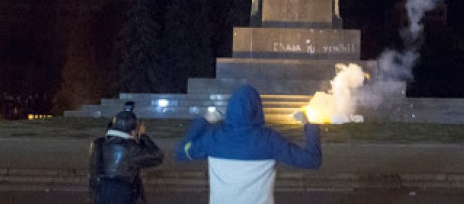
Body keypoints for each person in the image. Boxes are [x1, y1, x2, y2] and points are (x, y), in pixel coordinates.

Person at [174, 84, 322, 204]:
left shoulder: (213, 138)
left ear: (230, 108)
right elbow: (312, 160)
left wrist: (203, 121)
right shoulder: (270, 140)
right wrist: (309, 125)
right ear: (258, 110)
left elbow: (182, 151)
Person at [89, 109, 164, 204]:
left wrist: (92, 197)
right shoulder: (131, 147)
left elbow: (92, 173)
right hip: (124, 194)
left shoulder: (97, 143)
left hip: (102, 193)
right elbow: (157, 156)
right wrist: (143, 136)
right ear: (133, 131)